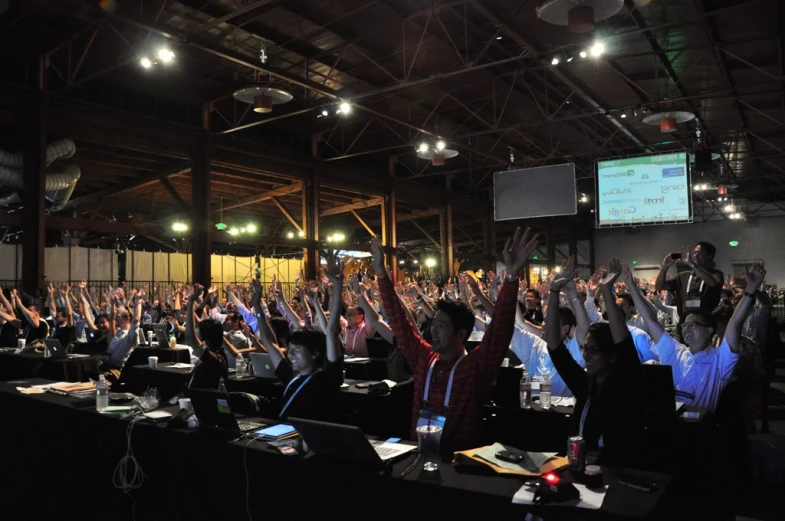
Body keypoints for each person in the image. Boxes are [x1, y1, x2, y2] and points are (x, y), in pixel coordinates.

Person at [373, 227, 538, 453]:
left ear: (460, 335)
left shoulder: (475, 367)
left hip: (459, 464)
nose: (433, 331)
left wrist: (511, 277)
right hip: (419, 454)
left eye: (441, 327)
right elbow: (400, 323)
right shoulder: (424, 357)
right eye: (434, 325)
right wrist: (381, 275)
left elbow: (500, 329)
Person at [546, 257, 645, 466]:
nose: (586, 355)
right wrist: (554, 291)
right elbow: (554, 345)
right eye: (585, 349)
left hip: (615, 469)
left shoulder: (624, 384)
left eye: (593, 350)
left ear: (611, 355)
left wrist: (606, 290)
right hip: (579, 463)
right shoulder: (585, 385)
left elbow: (624, 344)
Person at [628, 261, 765, 411]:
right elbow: (650, 320)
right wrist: (630, 283)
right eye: (684, 325)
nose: (686, 329)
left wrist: (750, 289)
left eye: (693, 325)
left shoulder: (719, 360)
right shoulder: (674, 351)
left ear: (708, 330)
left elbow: (735, 322)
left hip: (700, 429)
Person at [253, 255, 343, 422]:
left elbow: (331, 332)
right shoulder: (291, 374)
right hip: (286, 435)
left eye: (297, 350)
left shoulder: (327, 378)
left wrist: (337, 286)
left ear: (315, 353)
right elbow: (268, 341)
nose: (290, 354)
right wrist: (257, 305)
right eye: (291, 349)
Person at [656, 242, 723, 323]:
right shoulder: (683, 276)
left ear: (710, 256)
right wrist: (664, 267)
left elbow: (713, 283)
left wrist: (692, 265)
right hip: (685, 324)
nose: (695, 256)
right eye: (694, 253)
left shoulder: (715, 274)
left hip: (706, 325)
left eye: (699, 253)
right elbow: (659, 286)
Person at [184, 284, 229, 389]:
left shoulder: (215, 358)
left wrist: (191, 302)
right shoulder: (215, 354)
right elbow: (198, 314)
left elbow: (191, 339)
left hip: (206, 402)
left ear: (206, 338)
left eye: (198, 333)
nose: (197, 334)